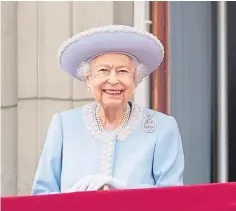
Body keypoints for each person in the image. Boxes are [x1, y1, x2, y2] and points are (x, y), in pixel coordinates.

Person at [32, 25, 184, 195]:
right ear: (88, 79)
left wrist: (121, 193)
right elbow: (41, 195)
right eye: (103, 70)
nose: (113, 80)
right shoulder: (64, 125)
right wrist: (75, 197)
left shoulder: (163, 128)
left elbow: (173, 198)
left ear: (136, 79)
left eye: (123, 71)